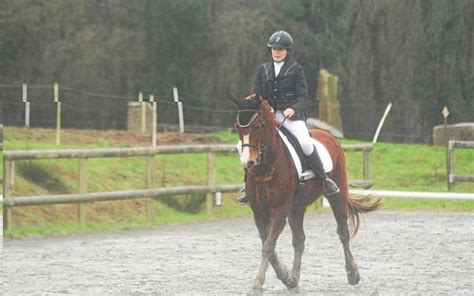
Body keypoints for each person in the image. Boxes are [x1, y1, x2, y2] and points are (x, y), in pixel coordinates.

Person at [238, 30, 339, 203]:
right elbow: (257, 94)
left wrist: (293, 108)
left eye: (281, 49)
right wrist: (259, 105)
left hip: (291, 116)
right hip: (268, 116)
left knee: (305, 142)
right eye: (274, 48)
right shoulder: (263, 69)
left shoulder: (296, 69)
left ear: (287, 51)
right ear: (270, 50)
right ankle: (248, 185)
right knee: (244, 144)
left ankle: (324, 179)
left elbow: (303, 96)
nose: (277, 52)